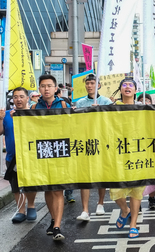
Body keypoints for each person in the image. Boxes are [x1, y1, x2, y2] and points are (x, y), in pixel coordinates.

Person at [32, 74, 71, 241]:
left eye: (49, 85)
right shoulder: (33, 108)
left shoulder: (64, 104)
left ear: (56, 89)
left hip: (60, 151)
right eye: (43, 86)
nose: (46, 89)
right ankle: (53, 219)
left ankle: (57, 226)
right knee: (47, 189)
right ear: (39, 89)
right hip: (42, 152)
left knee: (58, 189)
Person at [110, 78, 144, 238]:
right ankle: (125, 211)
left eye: (131, 85)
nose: (127, 87)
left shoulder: (144, 108)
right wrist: (94, 111)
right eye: (124, 85)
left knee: (136, 192)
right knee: (116, 190)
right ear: (120, 89)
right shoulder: (112, 108)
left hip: (139, 153)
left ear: (136, 91)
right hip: (118, 155)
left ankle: (133, 224)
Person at [75, 73, 112, 221]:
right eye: (88, 83)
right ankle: (85, 210)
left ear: (99, 85)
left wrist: (99, 111)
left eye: (92, 83)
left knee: (100, 174)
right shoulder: (80, 103)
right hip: (85, 141)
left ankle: (100, 203)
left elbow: (110, 122)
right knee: (85, 176)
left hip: (102, 141)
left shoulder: (107, 102)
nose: (90, 85)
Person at [0, 87, 37, 223]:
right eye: (15, 97)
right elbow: (1, 131)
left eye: (21, 96)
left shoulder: (33, 114)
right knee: (15, 184)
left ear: (27, 98)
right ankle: (21, 210)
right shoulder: (7, 115)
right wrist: (0, 119)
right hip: (12, 156)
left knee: (31, 183)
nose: (18, 99)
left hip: (30, 156)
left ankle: (31, 206)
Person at [136, 93, 155, 210]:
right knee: (137, 177)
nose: (145, 102)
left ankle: (152, 200)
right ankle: (137, 202)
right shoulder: (132, 114)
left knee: (153, 178)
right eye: (141, 100)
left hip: (153, 149)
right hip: (137, 149)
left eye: (147, 100)